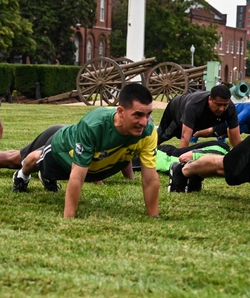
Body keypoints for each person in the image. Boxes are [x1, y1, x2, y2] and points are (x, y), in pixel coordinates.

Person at [10, 82, 160, 219]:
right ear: (120, 111)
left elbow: (150, 179)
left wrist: (153, 216)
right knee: (37, 159)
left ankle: (48, 177)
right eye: (138, 115)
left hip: (96, 166)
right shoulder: (94, 125)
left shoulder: (148, 131)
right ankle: (22, 175)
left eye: (148, 114)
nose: (144, 122)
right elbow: (77, 176)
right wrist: (69, 218)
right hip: (63, 150)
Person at [157, 84, 241, 148]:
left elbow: (235, 137)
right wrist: (181, 162)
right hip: (177, 108)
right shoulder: (194, 105)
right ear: (210, 99)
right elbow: (185, 137)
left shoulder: (230, 108)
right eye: (218, 105)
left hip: (199, 120)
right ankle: (146, 149)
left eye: (225, 105)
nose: (222, 109)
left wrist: (241, 157)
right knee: (164, 135)